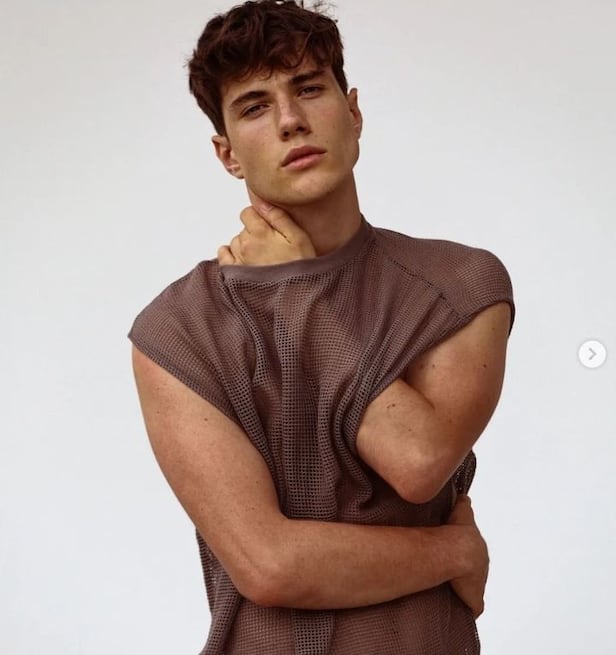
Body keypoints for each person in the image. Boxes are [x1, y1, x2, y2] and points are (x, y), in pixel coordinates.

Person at [128, 1, 514, 653]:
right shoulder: (177, 330)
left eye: (308, 88)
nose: (290, 120)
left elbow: (417, 461)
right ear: (227, 154)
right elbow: (270, 565)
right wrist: (452, 550)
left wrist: (296, 294)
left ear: (353, 112)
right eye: (255, 106)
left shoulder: (460, 286)